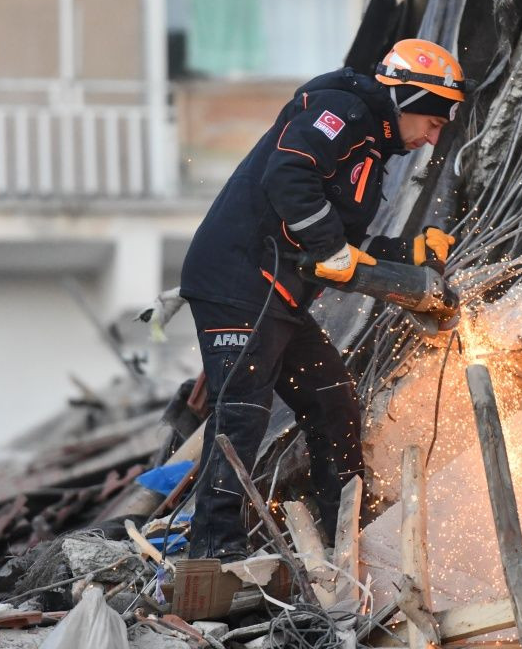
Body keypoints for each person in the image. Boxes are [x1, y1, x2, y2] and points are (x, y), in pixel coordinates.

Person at [179, 38, 466, 560]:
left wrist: (410, 251)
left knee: (334, 402)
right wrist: (332, 246)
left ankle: (343, 544)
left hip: (278, 295)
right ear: (408, 99)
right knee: (241, 413)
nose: (431, 138)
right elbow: (288, 176)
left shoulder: (371, 147)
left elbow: (339, 244)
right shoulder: (341, 110)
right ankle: (213, 558)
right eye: (434, 123)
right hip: (238, 280)